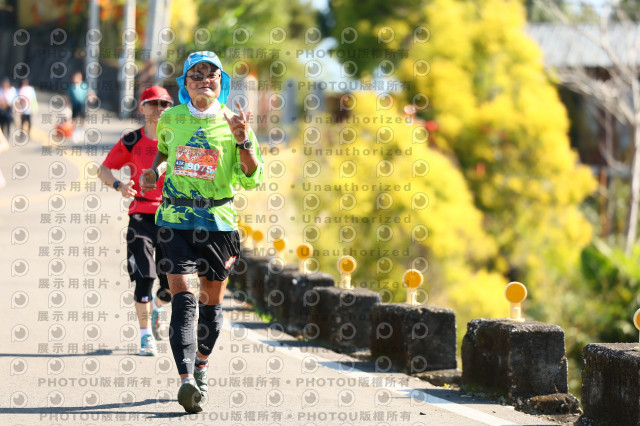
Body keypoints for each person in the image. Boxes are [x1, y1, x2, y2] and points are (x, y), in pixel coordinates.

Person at [140, 51, 264, 413]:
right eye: (197, 75)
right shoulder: (172, 118)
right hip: (174, 218)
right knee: (183, 296)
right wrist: (154, 172)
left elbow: (252, 177)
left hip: (218, 222)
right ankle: (186, 380)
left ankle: (202, 366)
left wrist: (242, 141)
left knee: (211, 303)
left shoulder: (234, 122)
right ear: (185, 83)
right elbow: (164, 152)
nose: (204, 81)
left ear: (221, 82)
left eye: (212, 75)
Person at [98, 86, 175, 356]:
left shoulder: (177, 140)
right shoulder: (132, 140)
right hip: (140, 216)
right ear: (142, 108)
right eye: (153, 104)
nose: (159, 109)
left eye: (164, 104)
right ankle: (145, 337)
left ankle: (157, 307)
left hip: (172, 217)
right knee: (144, 277)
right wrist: (119, 185)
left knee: (171, 284)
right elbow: (104, 169)